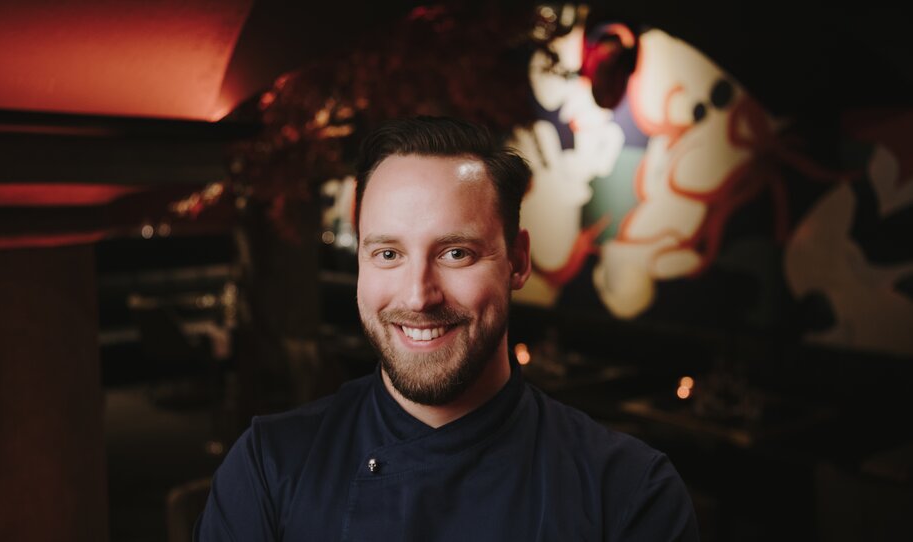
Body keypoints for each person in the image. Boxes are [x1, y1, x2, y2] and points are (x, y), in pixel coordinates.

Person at [195, 116, 699, 541]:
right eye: (388, 254)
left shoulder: (629, 491)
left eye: (456, 253)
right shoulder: (269, 468)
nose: (418, 295)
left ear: (518, 261)